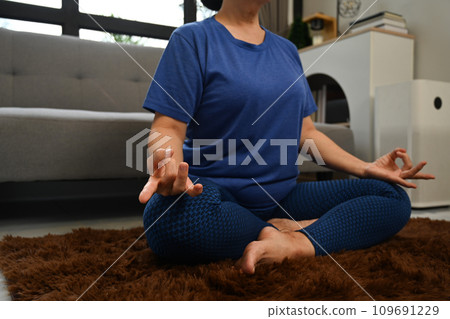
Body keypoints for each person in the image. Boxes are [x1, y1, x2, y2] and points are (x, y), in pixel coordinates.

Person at [139, 0, 434, 274]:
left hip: (283, 197)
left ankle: (298, 243)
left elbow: (307, 134)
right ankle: (279, 230)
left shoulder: (287, 50)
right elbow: (169, 128)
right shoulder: (191, 39)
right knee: (165, 221)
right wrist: (167, 165)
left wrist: (367, 167)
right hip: (212, 192)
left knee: (392, 196)